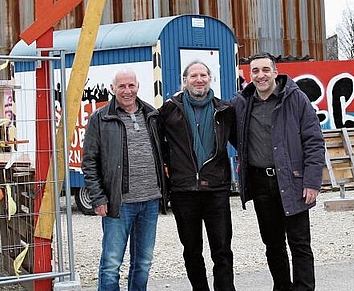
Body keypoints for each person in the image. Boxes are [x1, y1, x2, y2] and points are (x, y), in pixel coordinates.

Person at [231, 52, 325, 291]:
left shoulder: (296, 99)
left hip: (293, 182)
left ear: (275, 72)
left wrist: (312, 182)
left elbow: (314, 141)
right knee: (273, 244)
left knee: (300, 244)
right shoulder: (241, 103)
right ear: (248, 74)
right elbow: (232, 134)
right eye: (255, 71)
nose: (260, 75)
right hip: (261, 183)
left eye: (265, 70)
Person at [81, 69, 168, 291]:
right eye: (121, 86)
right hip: (118, 204)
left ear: (138, 86)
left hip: (150, 201)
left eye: (131, 85)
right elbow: (89, 162)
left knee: (143, 263)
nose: (127, 91)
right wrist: (98, 198)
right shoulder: (100, 118)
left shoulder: (152, 115)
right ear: (113, 89)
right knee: (111, 264)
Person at [155, 61, 237, 291]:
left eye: (203, 75)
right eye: (193, 75)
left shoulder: (225, 110)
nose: (199, 79)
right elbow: (156, 145)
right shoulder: (169, 110)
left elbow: (242, 143)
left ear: (210, 79)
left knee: (222, 250)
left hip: (216, 190)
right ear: (185, 80)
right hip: (184, 191)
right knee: (192, 250)